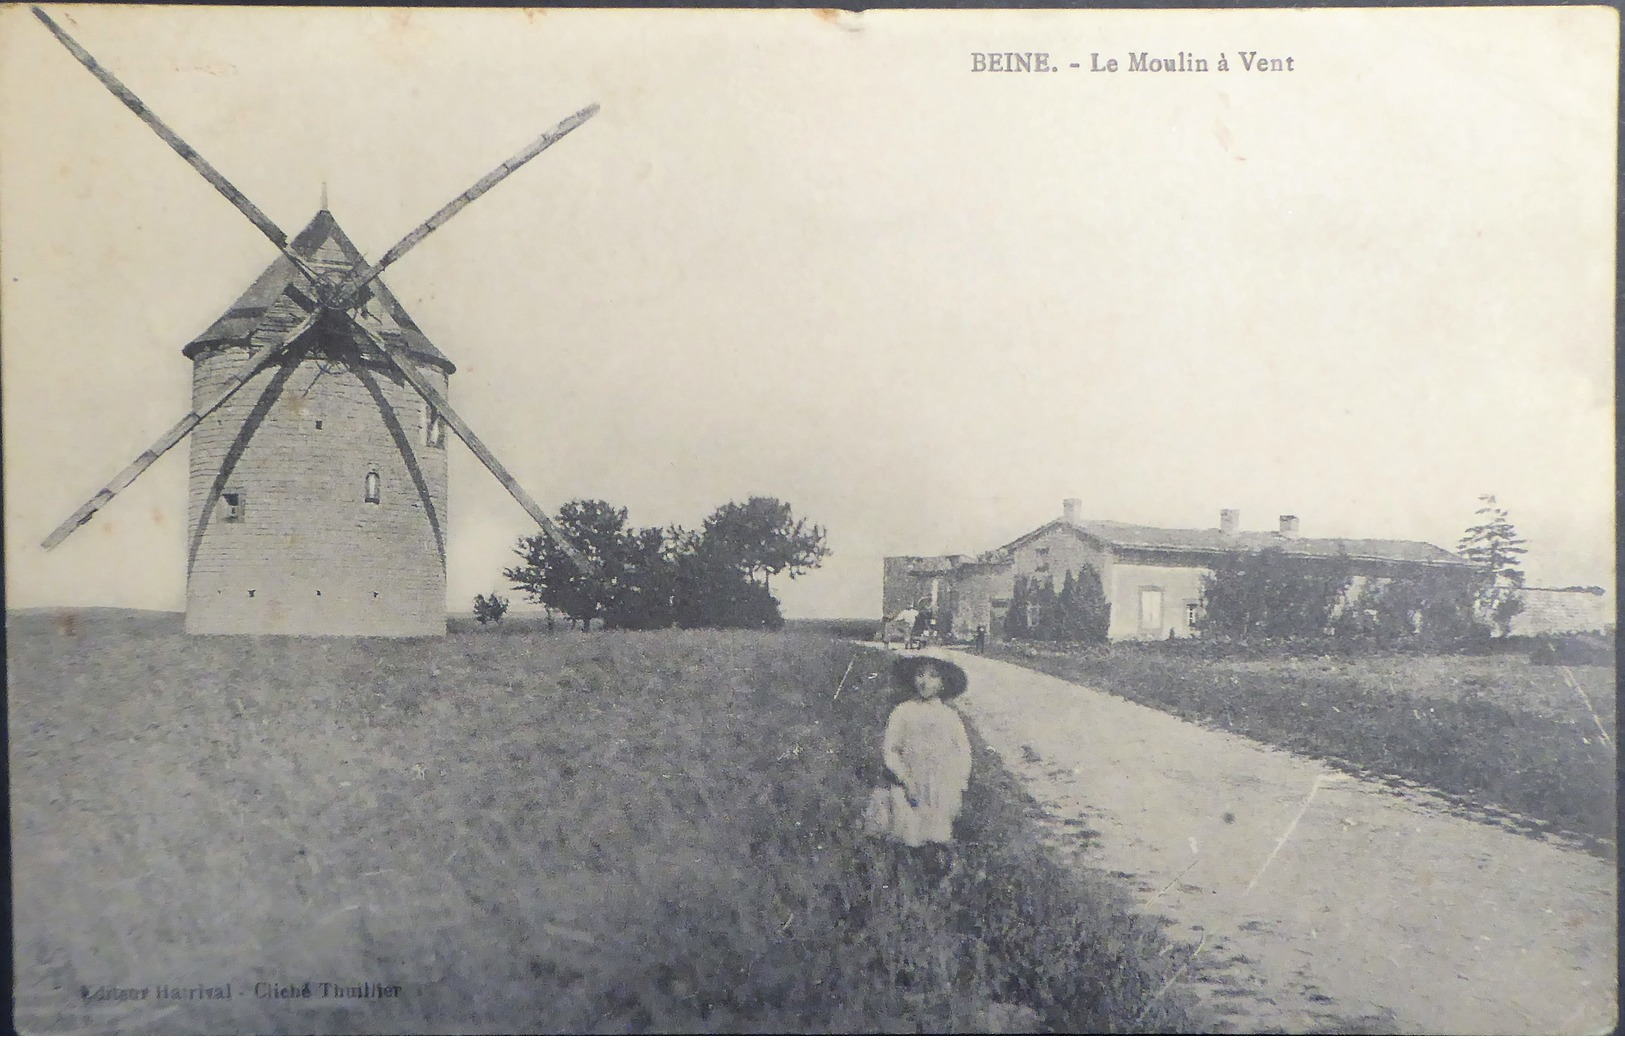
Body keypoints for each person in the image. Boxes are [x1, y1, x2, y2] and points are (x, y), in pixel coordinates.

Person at [874, 656, 972, 886]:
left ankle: (936, 883)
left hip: (940, 785)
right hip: (909, 783)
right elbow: (891, 749)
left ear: (943, 683)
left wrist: (958, 783)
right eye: (920, 674)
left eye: (933, 676)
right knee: (908, 834)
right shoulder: (903, 711)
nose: (924, 681)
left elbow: (962, 752)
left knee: (936, 834)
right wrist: (905, 779)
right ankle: (905, 887)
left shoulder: (950, 717)